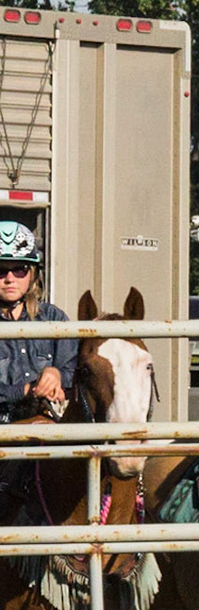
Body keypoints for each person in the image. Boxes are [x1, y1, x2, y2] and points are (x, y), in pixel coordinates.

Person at [0, 221, 75, 525]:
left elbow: (75, 371)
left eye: (19, 269)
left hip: (54, 426)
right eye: (1, 270)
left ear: (32, 274)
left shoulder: (55, 319)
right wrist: (26, 391)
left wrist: (57, 375)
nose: (9, 278)